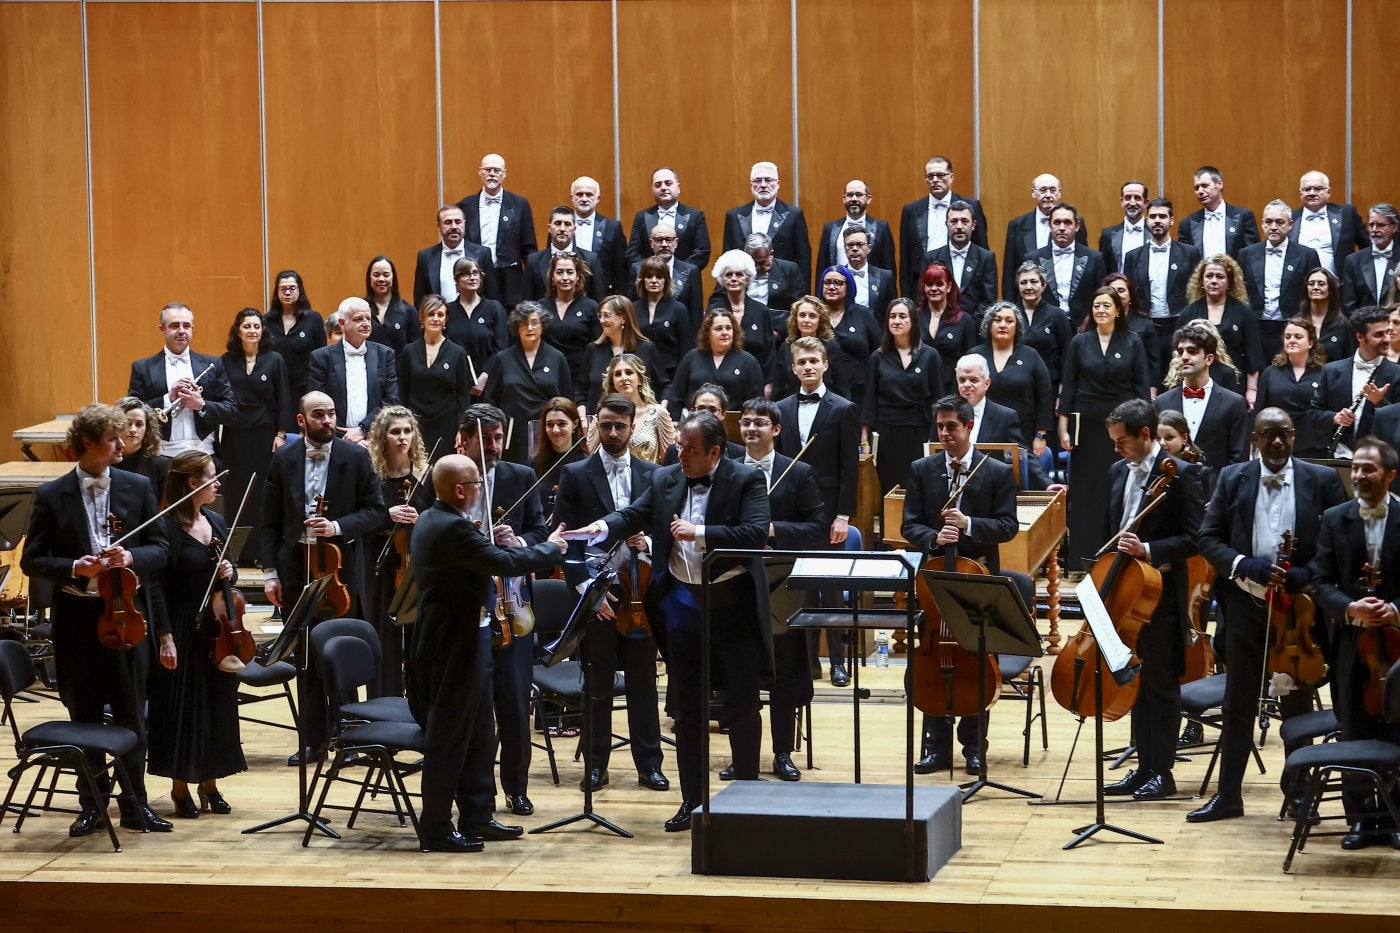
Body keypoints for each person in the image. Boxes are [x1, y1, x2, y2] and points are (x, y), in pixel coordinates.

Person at [564, 411, 770, 833]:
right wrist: (601, 527)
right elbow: (634, 515)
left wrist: (700, 531)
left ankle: (747, 803)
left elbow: (754, 533)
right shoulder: (666, 478)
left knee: (742, 705)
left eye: (691, 451)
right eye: (679, 447)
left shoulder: (747, 479)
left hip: (732, 604)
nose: (681, 457)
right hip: (681, 604)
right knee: (688, 709)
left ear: (715, 452)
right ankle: (692, 802)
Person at [21, 404, 172, 836]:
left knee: (131, 714)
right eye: (112, 438)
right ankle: (92, 802)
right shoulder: (52, 494)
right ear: (88, 444)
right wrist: (74, 567)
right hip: (77, 621)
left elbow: (160, 549)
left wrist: (131, 556)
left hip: (127, 618)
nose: (121, 444)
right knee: (83, 713)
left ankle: (135, 804)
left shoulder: (138, 486)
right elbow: (33, 559)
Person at [1191, 408, 1347, 824]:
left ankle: (1298, 794)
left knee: (1296, 705)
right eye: (1268, 436)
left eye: (1284, 435)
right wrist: (1246, 564)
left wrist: (1305, 576)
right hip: (1245, 606)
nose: (1277, 443)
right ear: (1255, 439)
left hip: (1297, 614)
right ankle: (1228, 796)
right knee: (1237, 702)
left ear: (1293, 436)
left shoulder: (1324, 480)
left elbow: (1336, 545)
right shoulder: (1231, 478)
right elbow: (1208, 538)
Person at [409, 454, 565, 853]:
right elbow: (506, 563)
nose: (482, 488)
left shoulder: (437, 517)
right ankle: (437, 827)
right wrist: (552, 548)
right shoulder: (449, 527)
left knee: (481, 732)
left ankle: (477, 815)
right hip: (451, 645)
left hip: (472, 636)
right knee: (449, 736)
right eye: (477, 483)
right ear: (460, 490)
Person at [261, 391, 386, 764]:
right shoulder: (283, 459)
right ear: (301, 421)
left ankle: (350, 737)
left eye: (332, 413)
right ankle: (312, 740)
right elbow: (268, 521)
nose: (328, 421)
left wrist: (335, 526)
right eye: (319, 415)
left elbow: (376, 511)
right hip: (296, 568)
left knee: (342, 654)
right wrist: (270, 573)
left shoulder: (356, 456)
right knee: (305, 658)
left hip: (340, 569)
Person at [554, 393, 669, 794]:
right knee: (597, 681)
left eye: (620, 425)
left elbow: (666, 530)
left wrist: (647, 543)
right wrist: (589, 592)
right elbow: (567, 541)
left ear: (633, 425)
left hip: (641, 591)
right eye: (605, 425)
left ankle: (649, 764)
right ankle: (596, 765)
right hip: (598, 593)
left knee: (643, 682)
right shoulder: (576, 474)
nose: (613, 433)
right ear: (596, 426)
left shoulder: (654, 475)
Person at [901, 395, 1022, 774]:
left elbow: (1007, 525)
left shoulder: (996, 471)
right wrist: (933, 539)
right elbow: (909, 524)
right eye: (940, 427)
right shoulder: (922, 469)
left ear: (970, 427)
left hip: (977, 577)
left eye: (952, 426)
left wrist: (969, 524)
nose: (945, 434)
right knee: (933, 657)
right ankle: (934, 747)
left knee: (976, 659)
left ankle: (974, 746)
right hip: (935, 579)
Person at [1100, 399, 1206, 801]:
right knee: (1136, 681)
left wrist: (1148, 548)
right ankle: (1142, 767)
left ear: (1146, 435)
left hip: (1160, 596)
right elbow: (1111, 530)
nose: (1116, 449)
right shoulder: (1117, 471)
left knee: (1160, 685)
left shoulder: (1180, 475)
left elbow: (1195, 538)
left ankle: (1162, 772)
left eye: (1122, 441)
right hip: (1125, 591)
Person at [455, 405, 551, 817]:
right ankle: (476, 796)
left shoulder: (521, 477)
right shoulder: (450, 476)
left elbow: (540, 535)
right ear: (466, 438)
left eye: (499, 438)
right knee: (473, 709)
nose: (494, 447)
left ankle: (516, 787)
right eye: (486, 438)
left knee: (514, 706)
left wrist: (519, 543)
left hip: (512, 607)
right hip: (467, 607)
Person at [1306, 436, 1400, 849]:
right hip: (1349, 641)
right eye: (1356, 468)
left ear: (1390, 475)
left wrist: (1395, 610)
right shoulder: (1334, 517)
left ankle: (1395, 817)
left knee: (1398, 727)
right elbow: (1319, 579)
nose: (1359, 475)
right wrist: (1350, 608)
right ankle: (1361, 819)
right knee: (1354, 728)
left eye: (1368, 469)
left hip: (1397, 644)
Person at [146, 451, 246, 819]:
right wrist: (165, 636)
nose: (218, 482)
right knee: (181, 709)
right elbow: (154, 587)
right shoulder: (166, 528)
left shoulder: (217, 521)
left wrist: (229, 571)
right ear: (193, 483)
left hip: (217, 630)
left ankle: (210, 783)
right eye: (212, 476)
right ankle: (179, 788)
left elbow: (229, 574)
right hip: (182, 625)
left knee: (216, 707)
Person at [738, 397, 825, 779]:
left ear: (776, 430)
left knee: (784, 673)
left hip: (782, 585)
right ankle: (744, 757)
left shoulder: (799, 472)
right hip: (737, 582)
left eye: (760, 423)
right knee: (741, 673)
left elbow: (816, 528)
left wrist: (773, 530)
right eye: (745, 422)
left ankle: (782, 753)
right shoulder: (727, 472)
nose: (751, 429)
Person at [775, 335, 860, 684]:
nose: (808, 367)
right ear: (794, 368)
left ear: (825, 365)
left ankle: (838, 661)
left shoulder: (843, 408)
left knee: (829, 589)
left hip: (827, 513)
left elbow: (849, 470)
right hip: (793, 514)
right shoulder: (779, 408)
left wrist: (843, 516)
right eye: (802, 362)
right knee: (799, 589)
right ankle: (807, 663)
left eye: (814, 361)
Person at [1058, 286, 1151, 568]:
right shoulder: (1079, 342)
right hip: (1086, 429)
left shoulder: (1133, 342)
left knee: (1117, 490)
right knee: (1086, 493)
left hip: (1122, 430)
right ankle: (1080, 560)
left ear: (1118, 310)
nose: (1101, 310)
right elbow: (1069, 386)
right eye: (1096, 305)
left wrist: (1141, 428)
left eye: (1106, 306)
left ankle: (1114, 558)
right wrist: (1064, 427)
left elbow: (1141, 389)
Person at [363, 406, 433, 698]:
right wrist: (385, 515)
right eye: (395, 432)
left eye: (407, 431)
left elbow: (439, 519)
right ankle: (383, 705)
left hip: (415, 567)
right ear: (382, 437)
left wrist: (422, 519)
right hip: (379, 565)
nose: (403, 437)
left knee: (419, 640)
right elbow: (360, 521)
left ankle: (419, 707)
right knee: (383, 638)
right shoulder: (372, 477)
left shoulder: (426, 476)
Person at [217, 308, 293, 564]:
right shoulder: (225, 361)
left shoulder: (275, 360)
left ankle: (262, 553)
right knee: (236, 492)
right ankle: (236, 552)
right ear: (238, 330)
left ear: (262, 331)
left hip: (264, 437)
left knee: (262, 494)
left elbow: (283, 397)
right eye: (247, 326)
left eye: (256, 326)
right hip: (235, 437)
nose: (252, 331)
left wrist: (281, 433)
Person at [128, 302, 236, 458]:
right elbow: (131, 413)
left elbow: (231, 412)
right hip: (160, 455)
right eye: (174, 326)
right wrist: (168, 399)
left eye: (186, 325)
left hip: (205, 454)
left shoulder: (213, 364)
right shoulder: (142, 368)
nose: (181, 331)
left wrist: (201, 405)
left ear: (192, 328)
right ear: (162, 329)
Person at [862, 300, 944, 496]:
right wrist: (864, 439)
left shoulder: (930, 355)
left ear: (913, 321)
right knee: (889, 487)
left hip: (920, 430)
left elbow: (938, 399)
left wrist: (936, 437)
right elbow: (869, 400)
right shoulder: (877, 357)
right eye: (892, 316)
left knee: (921, 485)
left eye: (902, 316)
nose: (896, 321)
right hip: (888, 431)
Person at [1122, 198, 1202, 383]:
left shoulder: (1189, 253)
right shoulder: (1133, 256)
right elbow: (1128, 295)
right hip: (1145, 327)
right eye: (1153, 216)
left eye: (1162, 216)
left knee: (1179, 378)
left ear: (1171, 220)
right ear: (1146, 220)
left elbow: (1197, 292)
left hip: (1179, 325)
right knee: (1147, 378)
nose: (1157, 220)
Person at [482, 302, 572, 464]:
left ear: (542, 326)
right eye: (524, 324)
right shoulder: (502, 359)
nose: (530, 328)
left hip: (548, 431)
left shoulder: (557, 358)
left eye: (534, 323)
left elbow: (566, 400)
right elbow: (490, 401)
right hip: (513, 433)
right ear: (517, 327)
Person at [1155, 323, 1250, 472]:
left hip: (1217, 490)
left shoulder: (1234, 403)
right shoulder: (1162, 402)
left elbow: (1239, 459)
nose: (1184, 357)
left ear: (1209, 359)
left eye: (1192, 351)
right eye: (1180, 352)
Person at [1308, 305, 1400, 458]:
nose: (1386, 339)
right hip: (1338, 457)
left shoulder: (1397, 374)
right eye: (1378, 335)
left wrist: (1380, 403)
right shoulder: (1331, 371)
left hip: (1379, 462)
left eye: (1387, 333)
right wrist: (1334, 417)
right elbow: (1312, 415)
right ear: (1359, 337)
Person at [308, 298, 399, 447]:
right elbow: (317, 403)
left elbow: (391, 400)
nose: (365, 323)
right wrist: (342, 437)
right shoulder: (321, 357)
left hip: (374, 441)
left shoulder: (385, 354)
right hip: (335, 440)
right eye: (358, 319)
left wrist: (364, 429)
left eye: (368, 318)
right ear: (342, 324)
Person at [1241, 200, 1323, 362]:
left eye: (1280, 222)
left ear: (1290, 224)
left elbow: (1314, 294)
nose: (1273, 227)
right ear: (1262, 224)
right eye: (1269, 222)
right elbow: (1240, 291)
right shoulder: (1246, 254)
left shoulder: (1307, 255)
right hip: (1257, 327)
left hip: (1293, 326)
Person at [1175, 255, 1263, 403]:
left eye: (1220, 276)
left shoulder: (1244, 312)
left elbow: (1253, 355)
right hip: (1196, 383)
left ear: (1229, 281)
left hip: (1234, 384)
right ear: (1201, 280)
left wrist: (1252, 390)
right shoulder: (1188, 313)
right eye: (1209, 276)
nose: (1214, 281)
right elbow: (1178, 356)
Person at [899, 155, 989, 297]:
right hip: (924, 287)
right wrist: (908, 298)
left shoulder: (972, 207)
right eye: (930, 176)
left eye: (940, 175)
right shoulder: (911, 211)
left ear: (951, 177)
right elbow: (906, 261)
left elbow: (982, 250)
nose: (935, 180)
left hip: (964, 286)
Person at [398, 295, 472, 461]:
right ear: (421, 318)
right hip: (415, 424)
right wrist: (403, 425)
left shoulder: (457, 352)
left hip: (446, 424)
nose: (436, 319)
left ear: (446, 319)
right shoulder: (409, 351)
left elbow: (463, 396)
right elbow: (403, 392)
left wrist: (462, 430)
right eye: (431, 314)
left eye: (440, 315)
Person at [458, 153, 537, 307]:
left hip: (511, 284)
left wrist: (532, 284)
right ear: (480, 172)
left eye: (497, 170)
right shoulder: (465, 206)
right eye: (488, 170)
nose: (492, 174)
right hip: (475, 280)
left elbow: (529, 249)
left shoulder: (520, 205)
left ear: (504, 174)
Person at [970, 302, 1053, 445]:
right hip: (982, 431)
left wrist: (1041, 435)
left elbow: (1044, 396)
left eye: (1009, 321)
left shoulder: (1031, 356)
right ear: (989, 325)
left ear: (1017, 327)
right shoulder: (974, 356)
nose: (1003, 325)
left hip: (1022, 431)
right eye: (997, 320)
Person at [722, 161, 811, 289]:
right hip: (744, 288)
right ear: (751, 185)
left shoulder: (794, 215)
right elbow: (727, 257)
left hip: (782, 289)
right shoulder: (734, 216)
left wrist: (802, 294)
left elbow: (803, 259)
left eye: (768, 180)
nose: (763, 185)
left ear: (778, 184)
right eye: (758, 180)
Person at [666, 309, 764, 421]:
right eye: (718, 329)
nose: (725, 332)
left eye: (728, 328)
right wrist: (674, 424)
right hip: (694, 425)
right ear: (708, 333)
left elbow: (755, 402)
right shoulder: (692, 357)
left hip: (733, 426)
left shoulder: (748, 362)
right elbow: (675, 396)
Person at [1256, 317, 1332, 457]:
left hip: (1313, 445)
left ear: (1310, 343)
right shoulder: (1270, 373)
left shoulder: (1325, 373)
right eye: (1287, 336)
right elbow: (1259, 411)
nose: (1292, 340)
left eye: (1298, 337)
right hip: (1276, 443)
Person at [580, 296, 668, 414]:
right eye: (600, 315)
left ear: (623, 318)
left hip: (640, 420)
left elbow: (665, 386)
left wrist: (661, 411)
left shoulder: (647, 348)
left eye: (606, 315)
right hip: (599, 421)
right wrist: (583, 418)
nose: (601, 320)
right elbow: (580, 390)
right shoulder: (593, 349)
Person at [1002, 173, 1084, 298]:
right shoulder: (1017, 225)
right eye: (1043, 190)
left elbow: (1082, 260)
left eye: (1052, 190)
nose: (1048, 195)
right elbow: (1010, 271)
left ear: (1059, 193)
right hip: (1028, 300)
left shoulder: (1074, 222)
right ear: (1033, 193)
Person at [587, 353, 676, 464]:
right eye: (618, 374)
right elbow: (592, 458)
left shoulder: (657, 413)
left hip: (649, 479)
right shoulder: (602, 418)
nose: (624, 378)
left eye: (629, 372)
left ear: (640, 379)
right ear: (612, 382)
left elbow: (670, 460)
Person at [919, 201, 998, 322]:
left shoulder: (986, 258)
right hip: (940, 327)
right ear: (946, 224)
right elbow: (923, 297)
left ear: (973, 225)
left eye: (965, 221)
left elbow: (989, 300)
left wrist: (968, 325)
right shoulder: (931, 258)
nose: (959, 226)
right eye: (954, 221)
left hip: (974, 330)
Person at [1031, 203, 1108, 327]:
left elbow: (1102, 294)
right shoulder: (1033, 258)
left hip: (1084, 328)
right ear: (1050, 226)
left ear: (1077, 226)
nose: (1062, 228)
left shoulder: (1094, 258)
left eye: (1067, 222)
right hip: (1046, 328)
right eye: (1057, 222)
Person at [819, 264, 883, 412]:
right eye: (827, 282)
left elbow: (879, 352)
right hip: (823, 386)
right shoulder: (815, 315)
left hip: (859, 388)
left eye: (838, 283)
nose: (832, 287)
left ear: (849, 286)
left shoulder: (863, 314)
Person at [708, 249, 776, 386]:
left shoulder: (761, 311)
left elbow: (769, 352)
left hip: (755, 381)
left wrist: (769, 384)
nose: (734, 278)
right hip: (719, 382)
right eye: (728, 274)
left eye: (739, 274)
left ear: (748, 278)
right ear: (722, 279)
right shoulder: (713, 311)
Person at [443, 255, 509, 392]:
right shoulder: (448, 310)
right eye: (466, 274)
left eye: (475, 273)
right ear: (456, 280)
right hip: (455, 384)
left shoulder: (494, 308)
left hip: (490, 383)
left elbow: (501, 348)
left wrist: (485, 376)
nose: (472, 277)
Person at [627, 165, 711, 270]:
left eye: (668, 183)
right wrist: (652, 272)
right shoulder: (641, 217)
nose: (663, 187)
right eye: (658, 185)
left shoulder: (695, 216)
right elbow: (633, 253)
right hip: (650, 281)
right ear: (652, 190)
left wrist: (678, 273)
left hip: (684, 282)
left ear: (678, 188)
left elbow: (702, 252)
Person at [539, 251, 601, 392]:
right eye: (559, 272)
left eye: (570, 272)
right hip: (548, 375)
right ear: (552, 278)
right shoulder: (540, 307)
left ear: (578, 277)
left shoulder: (591, 307)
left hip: (581, 377)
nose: (565, 277)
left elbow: (597, 346)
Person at [412, 204, 497, 307]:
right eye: (448, 222)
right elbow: (420, 300)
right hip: (439, 320)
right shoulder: (425, 257)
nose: (453, 227)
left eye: (458, 222)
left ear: (464, 223)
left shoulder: (483, 254)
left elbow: (492, 295)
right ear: (438, 226)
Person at [625, 221, 705, 328]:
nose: (664, 244)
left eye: (668, 240)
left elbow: (696, 314)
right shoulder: (637, 270)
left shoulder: (691, 271)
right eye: (659, 240)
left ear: (676, 243)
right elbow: (631, 307)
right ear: (651, 243)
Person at [264, 269, 326, 403]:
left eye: (292, 288)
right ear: (277, 292)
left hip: (305, 389)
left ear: (300, 290)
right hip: (274, 388)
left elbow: (321, 355)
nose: (287, 292)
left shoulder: (313, 318)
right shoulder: (266, 321)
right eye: (283, 289)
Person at [770, 296, 849, 400]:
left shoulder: (832, 347)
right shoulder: (786, 347)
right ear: (795, 318)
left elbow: (842, 388)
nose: (806, 320)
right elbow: (778, 389)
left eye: (812, 316)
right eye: (802, 315)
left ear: (820, 320)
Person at [1291, 170, 1368, 275]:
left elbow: (1367, 247)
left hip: (1339, 285)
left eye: (1318, 188)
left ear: (1328, 192)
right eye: (1307, 189)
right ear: (1301, 192)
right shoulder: (1290, 219)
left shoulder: (1346, 214)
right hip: (1301, 286)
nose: (1312, 193)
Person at [1177, 166, 1259, 261]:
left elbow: (1252, 255)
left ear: (1219, 184)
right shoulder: (1187, 223)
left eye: (1204, 186)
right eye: (1196, 188)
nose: (1200, 191)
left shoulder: (1243, 217)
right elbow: (1185, 261)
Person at [915, 262, 977, 386]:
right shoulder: (914, 317)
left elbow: (971, 361)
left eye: (939, 284)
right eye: (929, 284)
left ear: (948, 287)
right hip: (920, 386)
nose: (933, 289)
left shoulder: (964, 320)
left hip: (952, 388)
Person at [1016, 261, 1074, 391]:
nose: (1028, 287)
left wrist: (1062, 390)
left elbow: (1067, 355)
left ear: (1043, 285)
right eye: (1023, 282)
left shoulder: (1057, 315)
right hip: (1016, 383)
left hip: (1050, 384)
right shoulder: (1010, 314)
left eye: (1034, 282)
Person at [818, 179, 896, 274]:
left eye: (859, 195)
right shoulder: (830, 228)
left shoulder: (881, 228)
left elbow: (888, 268)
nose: (854, 199)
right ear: (844, 199)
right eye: (850, 195)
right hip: (838, 286)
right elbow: (822, 266)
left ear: (868, 199)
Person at [525, 207, 603, 302]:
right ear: (549, 228)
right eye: (558, 223)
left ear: (574, 229)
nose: (562, 229)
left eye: (567, 224)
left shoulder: (591, 260)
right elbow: (527, 303)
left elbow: (599, 301)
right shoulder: (533, 260)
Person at [630, 255, 691, 378]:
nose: (654, 280)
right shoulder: (632, 308)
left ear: (666, 280)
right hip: (639, 371)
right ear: (642, 280)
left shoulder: (679, 309)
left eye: (659, 277)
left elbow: (686, 350)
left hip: (670, 373)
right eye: (649, 276)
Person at [568, 176, 628, 296]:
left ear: (597, 198)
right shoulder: (561, 226)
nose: (584, 199)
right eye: (579, 194)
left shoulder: (613, 227)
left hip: (603, 293)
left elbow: (621, 268)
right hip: (568, 290)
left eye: (589, 194)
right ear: (572, 197)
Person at [1102, 272, 1161, 386]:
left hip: (1135, 385)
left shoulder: (1145, 325)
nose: (1116, 294)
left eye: (1121, 290)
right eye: (1112, 290)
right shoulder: (1097, 322)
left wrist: (1152, 390)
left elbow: (1153, 363)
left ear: (1130, 295)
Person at [740, 233, 807, 333]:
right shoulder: (737, 271)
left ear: (771, 254)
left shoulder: (789, 270)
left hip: (778, 334)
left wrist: (780, 332)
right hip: (744, 331)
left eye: (762, 262)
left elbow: (798, 307)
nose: (757, 268)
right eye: (753, 263)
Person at [533, 397, 586, 521]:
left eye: (562, 424)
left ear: (575, 424)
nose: (555, 430)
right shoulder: (534, 463)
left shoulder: (587, 463)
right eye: (550, 425)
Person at [1342, 204, 1400, 313]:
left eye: (1380, 225)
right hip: (1362, 327)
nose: (1374, 229)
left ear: (1394, 227)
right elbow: (1348, 304)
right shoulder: (1353, 261)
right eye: (1371, 224)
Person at [112, 396, 171, 502]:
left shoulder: (162, 466)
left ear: (147, 429)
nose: (133, 430)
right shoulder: (105, 463)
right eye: (128, 423)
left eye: (139, 424)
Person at [364, 255, 421, 354]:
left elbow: (416, 348)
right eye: (376, 275)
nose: (381, 279)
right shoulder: (361, 309)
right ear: (369, 278)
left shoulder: (408, 311)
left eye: (386, 275)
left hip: (400, 368)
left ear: (393, 278)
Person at [840, 225, 898, 322]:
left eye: (859, 244)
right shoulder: (837, 277)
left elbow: (893, 310)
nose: (854, 248)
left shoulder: (885, 277)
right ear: (845, 249)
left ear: (869, 248)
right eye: (850, 245)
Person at [1298, 267, 1354, 363]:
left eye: (1321, 284)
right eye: (1311, 284)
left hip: (1333, 376)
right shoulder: (1297, 321)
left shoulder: (1343, 324)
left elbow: (1349, 359)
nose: (1315, 287)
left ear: (1331, 289)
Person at [1099, 180, 1150, 274]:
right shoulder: (1108, 234)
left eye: (1137, 198)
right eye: (1127, 198)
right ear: (1122, 202)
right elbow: (1103, 270)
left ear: (1146, 203)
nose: (1132, 202)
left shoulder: (1154, 233)